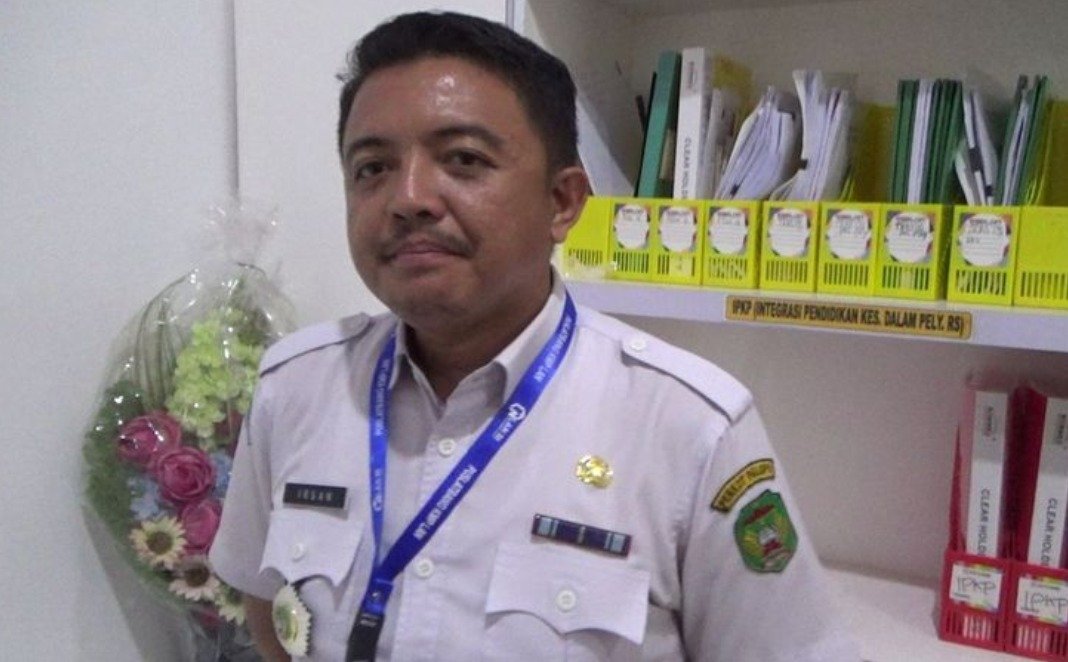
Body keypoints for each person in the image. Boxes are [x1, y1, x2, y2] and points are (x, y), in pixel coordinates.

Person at [210, 10, 858, 662]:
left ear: (563, 202)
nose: (407, 198)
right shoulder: (296, 388)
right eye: (372, 168)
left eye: (463, 159)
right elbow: (267, 607)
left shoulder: (691, 429)